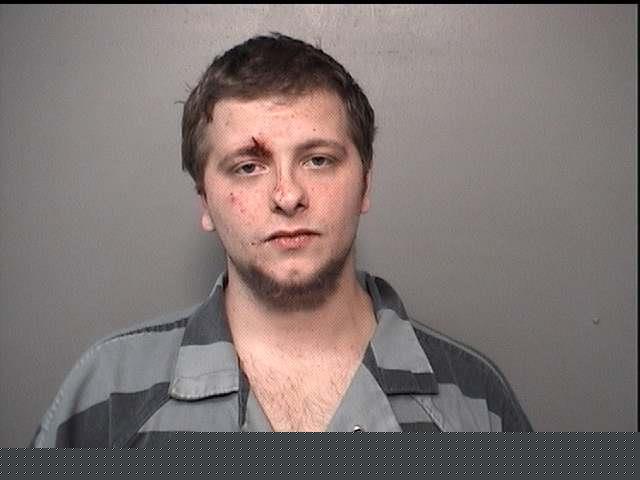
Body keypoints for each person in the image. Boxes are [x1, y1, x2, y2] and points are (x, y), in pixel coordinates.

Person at [31, 32, 532, 446]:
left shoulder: (475, 401)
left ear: (365, 185)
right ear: (205, 201)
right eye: (249, 167)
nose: (288, 195)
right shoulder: (107, 394)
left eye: (318, 160)